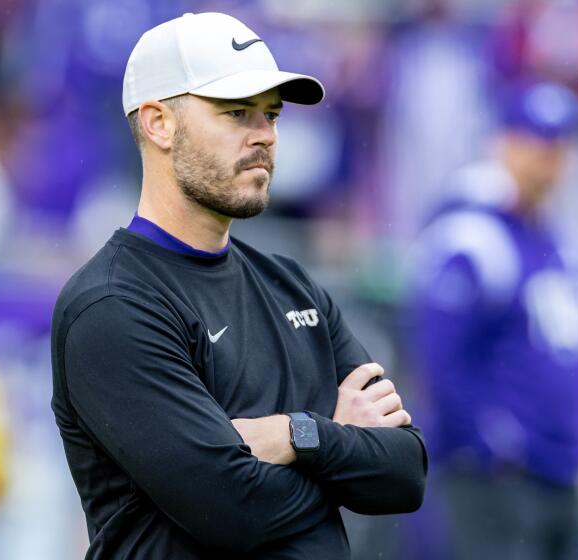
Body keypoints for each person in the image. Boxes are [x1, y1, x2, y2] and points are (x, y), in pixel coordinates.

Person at [50, 12, 427, 559]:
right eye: (237, 113)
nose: (266, 136)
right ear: (158, 123)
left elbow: (405, 473)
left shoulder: (293, 286)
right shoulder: (113, 304)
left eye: (271, 115)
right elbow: (233, 512)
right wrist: (342, 447)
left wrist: (296, 434)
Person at [412, 82, 578, 560]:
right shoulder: (472, 236)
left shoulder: (567, 242)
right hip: (496, 479)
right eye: (539, 142)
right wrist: (491, 443)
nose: (551, 158)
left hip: (562, 468)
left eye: (561, 144)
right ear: (505, 144)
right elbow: (440, 359)